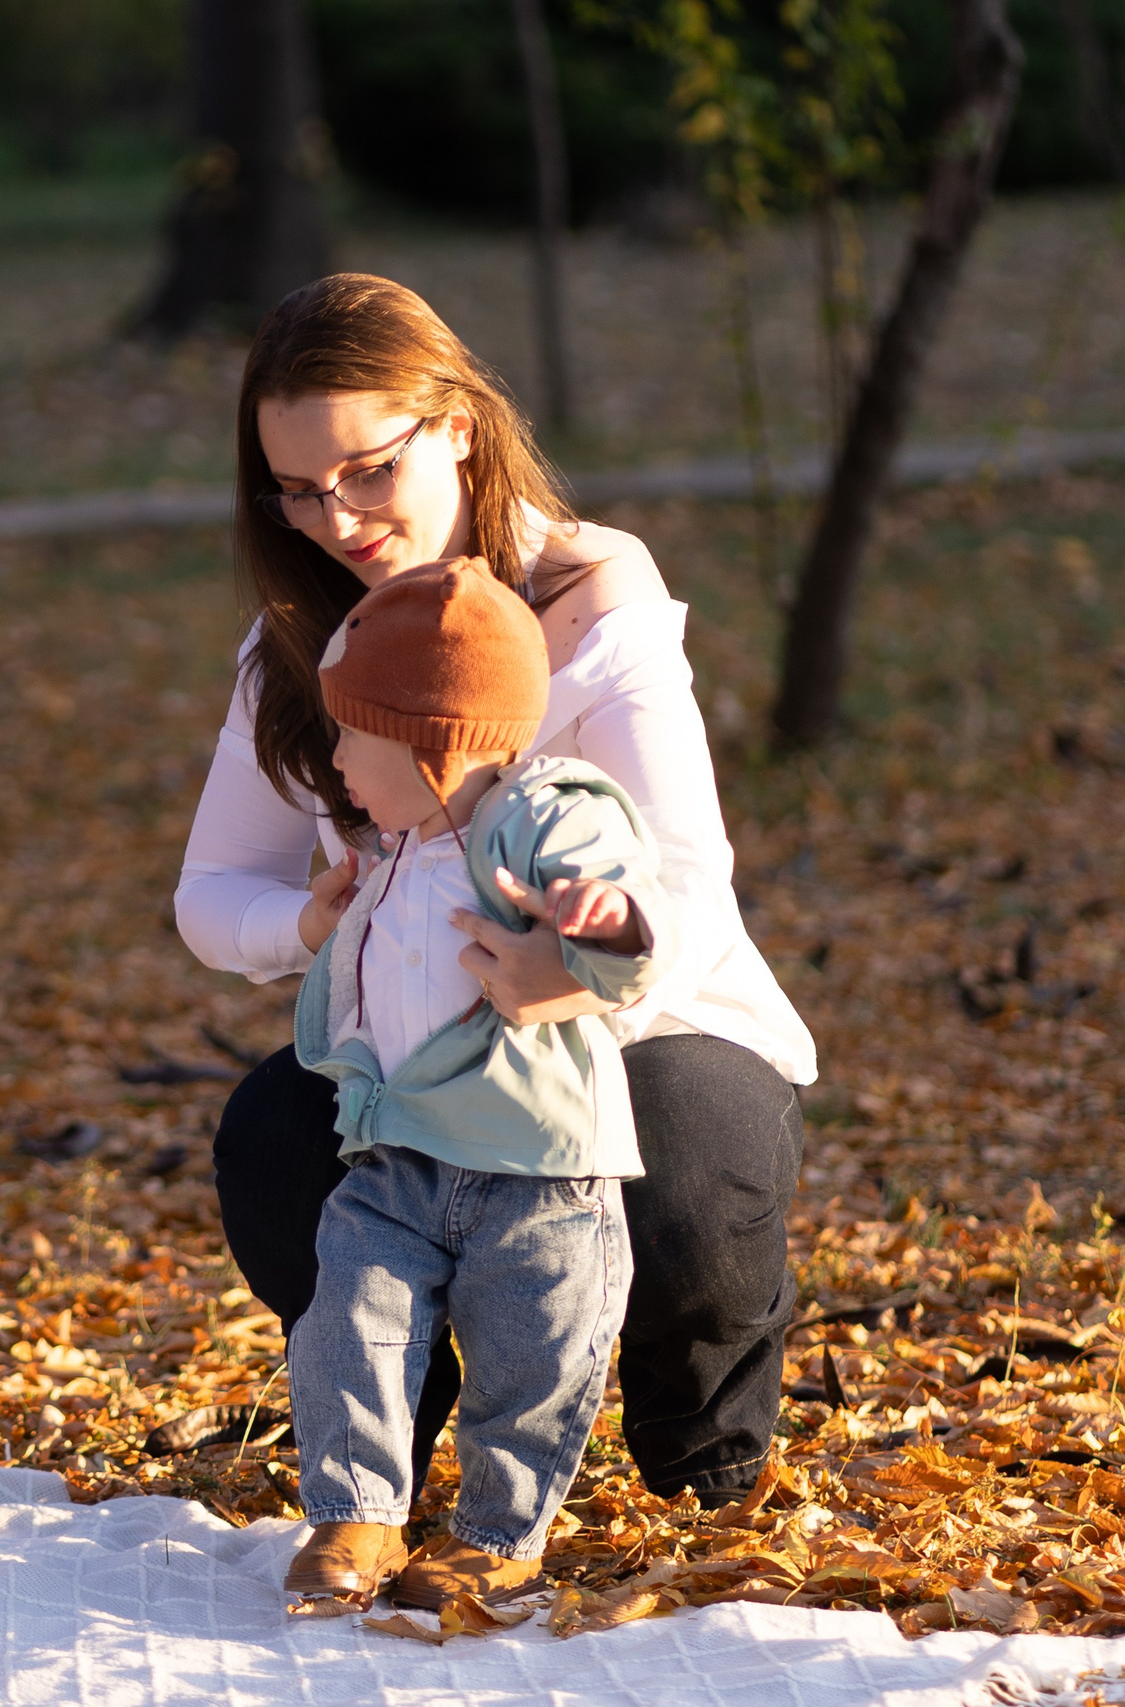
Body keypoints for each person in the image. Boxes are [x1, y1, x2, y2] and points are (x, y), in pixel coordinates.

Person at [176, 274, 817, 1523]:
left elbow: (685, 878)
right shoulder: (302, 640)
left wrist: (564, 969)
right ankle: (382, 1453)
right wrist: (302, 927)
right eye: (297, 490)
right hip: (423, 1071)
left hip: (642, 1030)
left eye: (367, 472)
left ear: (457, 426)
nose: (338, 520)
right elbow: (213, 888)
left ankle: (701, 1459)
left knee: (692, 1154)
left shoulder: (590, 599)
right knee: (273, 1134)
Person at [281, 558, 673, 1610]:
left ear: (432, 740)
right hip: (400, 1150)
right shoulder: (398, 843)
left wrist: (595, 917)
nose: (335, 758)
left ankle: (498, 1531)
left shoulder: (532, 813)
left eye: (353, 734)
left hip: (538, 1167)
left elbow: (613, 885)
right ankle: (357, 1512)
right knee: (347, 1318)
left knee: (532, 1353)